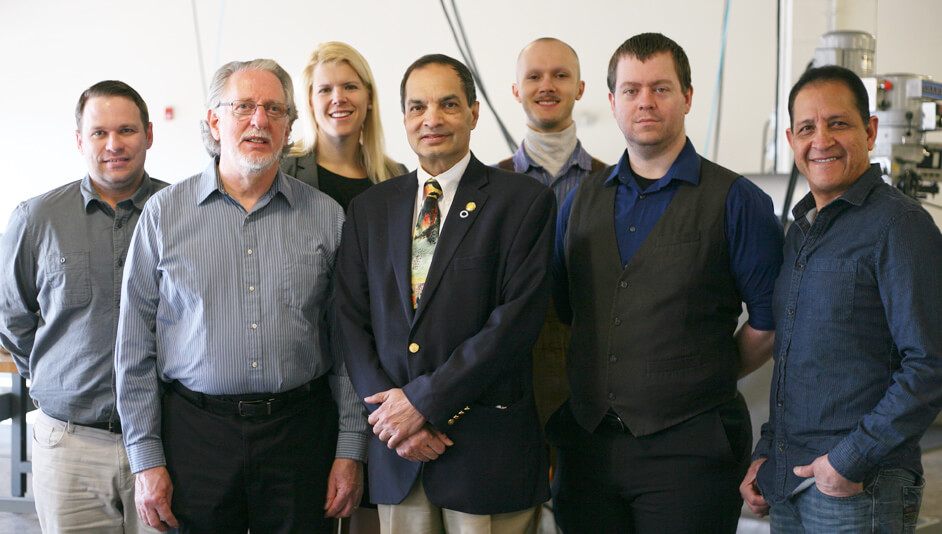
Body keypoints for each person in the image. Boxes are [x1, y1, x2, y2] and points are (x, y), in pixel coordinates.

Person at [115, 58, 369, 534]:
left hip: (300, 434)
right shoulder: (163, 215)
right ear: (214, 119)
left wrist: (350, 449)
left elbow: (348, 347)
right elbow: (133, 349)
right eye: (244, 106)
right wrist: (146, 460)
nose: (260, 120)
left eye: (275, 109)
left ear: (290, 126)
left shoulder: (327, 218)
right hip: (195, 436)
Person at [549, 32, 784, 533]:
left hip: (690, 452)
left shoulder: (737, 200)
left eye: (661, 88)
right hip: (588, 451)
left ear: (688, 98)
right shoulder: (579, 202)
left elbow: (771, 323)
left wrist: (702, 373)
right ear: (611, 102)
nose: (645, 102)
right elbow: (572, 311)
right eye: (631, 90)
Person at [334, 54, 555, 533]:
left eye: (448, 104)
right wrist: (394, 420)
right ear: (405, 119)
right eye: (417, 107)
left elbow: (513, 325)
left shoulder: (524, 202)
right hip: (399, 455)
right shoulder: (370, 210)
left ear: (474, 113)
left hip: (484, 455)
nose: (431, 119)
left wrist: (424, 405)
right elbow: (350, 321)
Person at [740, 65, 942, 533]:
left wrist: (848, 461)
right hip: (790, 483)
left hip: (861, 486)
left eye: (839, 123)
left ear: (870, 131)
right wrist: (767, 451)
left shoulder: (901, 226)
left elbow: (929, 364)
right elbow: (793, 362)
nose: (821, 140)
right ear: (791, 139)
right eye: (807, 128)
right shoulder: (801, 233)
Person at [0, 80, 165, 533]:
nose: (114, 145)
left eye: (127, 130)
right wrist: (51, 375)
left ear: (149, 134)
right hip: (68, 443)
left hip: (163, 443)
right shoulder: (36, 219)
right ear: (79, 141)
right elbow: (12, 317)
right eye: (99, 133)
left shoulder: (182, 212)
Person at [497, 37, 606, 425]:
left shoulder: (612, 183)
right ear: (516, 90)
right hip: (512, 373)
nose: (547, 86)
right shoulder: (491, 185)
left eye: (561, 75)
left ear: (579, 88)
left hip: (592, 371)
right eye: (534, 76)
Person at [282, 41, 405, 210]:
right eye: (325, 90)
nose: (338, 98)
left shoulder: (397, 176)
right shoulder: (282, 170)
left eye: (350, 87)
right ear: (310, 101)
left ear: (369, 96)